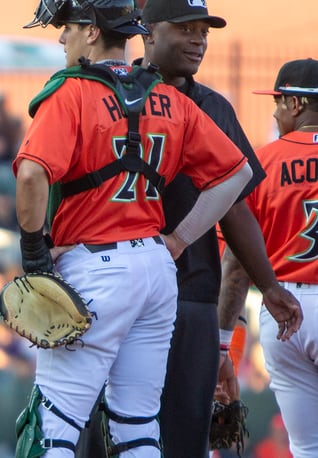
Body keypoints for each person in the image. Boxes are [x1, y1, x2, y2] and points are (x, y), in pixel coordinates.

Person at [14, 0, 256, 455]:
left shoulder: (71, 92)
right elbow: (236, 175)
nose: (61, 37)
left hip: (95, 269)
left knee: (53, 421)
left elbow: (31, 174)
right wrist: (181, 238)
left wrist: (34, 253)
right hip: (157, 270)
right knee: (138, 422)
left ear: (91, 32)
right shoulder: (168, 97)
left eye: (67, 27)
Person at [124, 1, 305, 456]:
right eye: (185, 28)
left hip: (192, 292)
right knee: (114, 430)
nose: (198, 40)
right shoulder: (109, 95)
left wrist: (270, 285)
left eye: (203, 30)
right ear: (147, 30)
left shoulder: (211, 106)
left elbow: (237, 208)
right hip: (120, 288)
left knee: (186, 435)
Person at [219, 58, 318, 457]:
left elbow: (236, 267)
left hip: (284, 317)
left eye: (278, 102)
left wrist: (223, 346)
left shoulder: (260, 164)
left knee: (307, 447)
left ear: (296, 104)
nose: (275, 112)